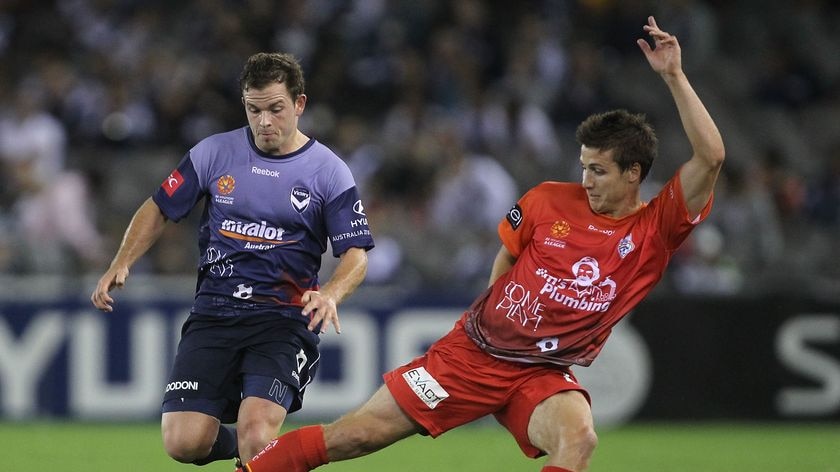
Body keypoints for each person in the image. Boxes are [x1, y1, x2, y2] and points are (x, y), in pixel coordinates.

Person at [237, 16, 724, 472]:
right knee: (355, 436)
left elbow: (712, 156)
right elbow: (509, 252)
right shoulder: (548, 199)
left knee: (579, 439)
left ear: (633, 173)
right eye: (583, 166)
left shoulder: (655, 229)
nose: (586, 180)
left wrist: (675, 77)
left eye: (598, 170)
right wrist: (494, 316)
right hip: (471, 357)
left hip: (542, 372)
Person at [90, 52, 374, 466]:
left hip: (282, 319)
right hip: (214, 314)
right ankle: (250, 458)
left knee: (257, 433)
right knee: (184, 443)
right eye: (253, 109)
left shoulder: (328, 172)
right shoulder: (214, 153)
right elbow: (159, 206)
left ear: (299, 104)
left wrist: (331, 292)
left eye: (275, 109)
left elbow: (356, 253)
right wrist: (122, 260)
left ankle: (255, 455)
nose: (264, 121)